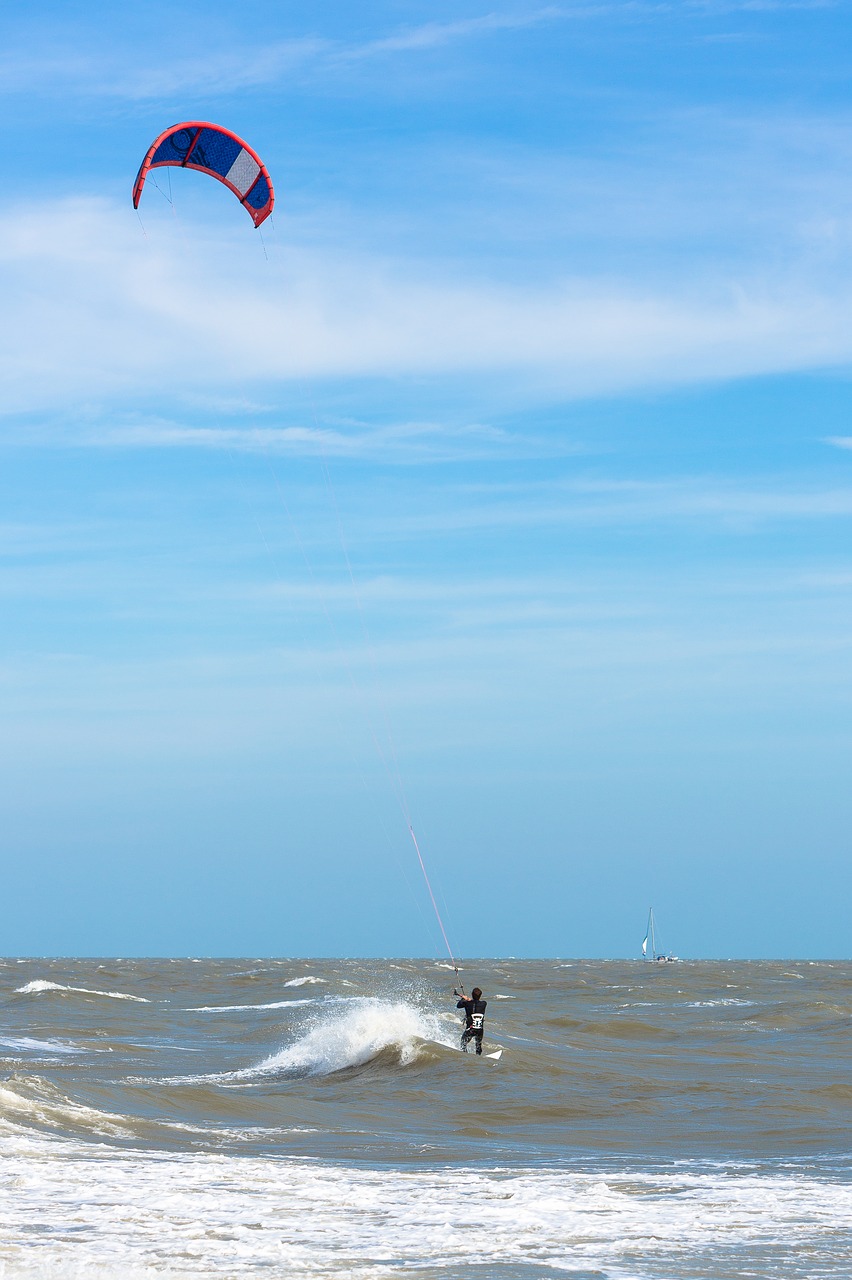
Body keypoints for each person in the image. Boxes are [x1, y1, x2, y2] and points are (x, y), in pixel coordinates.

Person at [455, 987, 486, 1054]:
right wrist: (468, 999)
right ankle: (478, 1056)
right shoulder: (484, 1004)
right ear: (480, 995)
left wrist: (463, 999)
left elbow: (458, 1005)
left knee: (463, 1043)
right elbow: (475, 1002)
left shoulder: (467, 1003)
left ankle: (465, 1055)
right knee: (478, 1045)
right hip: (480, 1030)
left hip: (470, 1030)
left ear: (472, 994)